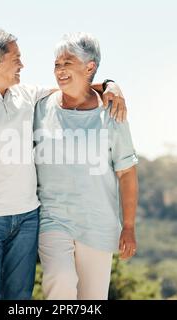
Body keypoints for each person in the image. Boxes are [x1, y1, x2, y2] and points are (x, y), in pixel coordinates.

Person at [0, 29, 127, 300]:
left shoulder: (26, 95)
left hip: (28, 218)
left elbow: (74, 86)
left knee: (19, 298)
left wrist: (112, 85)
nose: (22, 65)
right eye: (16, 58)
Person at [33, 32, 139, 300]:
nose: (59, 70)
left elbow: (126, 172)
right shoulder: (41, 107)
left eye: (67, 62)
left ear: (89, 67)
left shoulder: (113, 113)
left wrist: (128, 226)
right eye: (57, 64)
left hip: (98, 223)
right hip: (53, 218)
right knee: (61, 281)